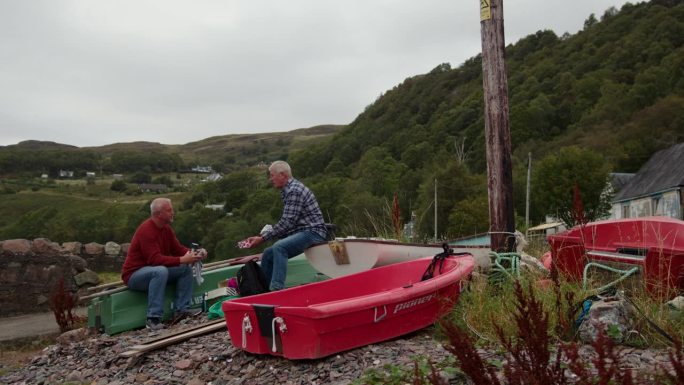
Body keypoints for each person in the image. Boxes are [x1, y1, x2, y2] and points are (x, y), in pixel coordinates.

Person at [121, 197, 207, 330]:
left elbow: (177, 249)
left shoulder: (166, 229)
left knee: (184, 269)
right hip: (134, 275)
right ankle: (153, 318)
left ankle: (182, 311)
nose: (173, 212)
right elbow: (154, 260)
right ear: (158, 214)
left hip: (154, 271)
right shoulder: (146, 230)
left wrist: (195, 254)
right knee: (161, 271)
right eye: (169, 210)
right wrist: (182, 259)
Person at [241, 160, 327, 291]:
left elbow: (287, 222)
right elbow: (291, 223)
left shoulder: (294, 191)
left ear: (283, 175)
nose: (271, 179)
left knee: (279, 247)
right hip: (304, 231)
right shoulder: (288, 190)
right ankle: (263, 290)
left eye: (272, 175)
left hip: (313, 232)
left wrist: (263, 238)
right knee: (268, 253)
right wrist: (264, 235)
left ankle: (276, 289)